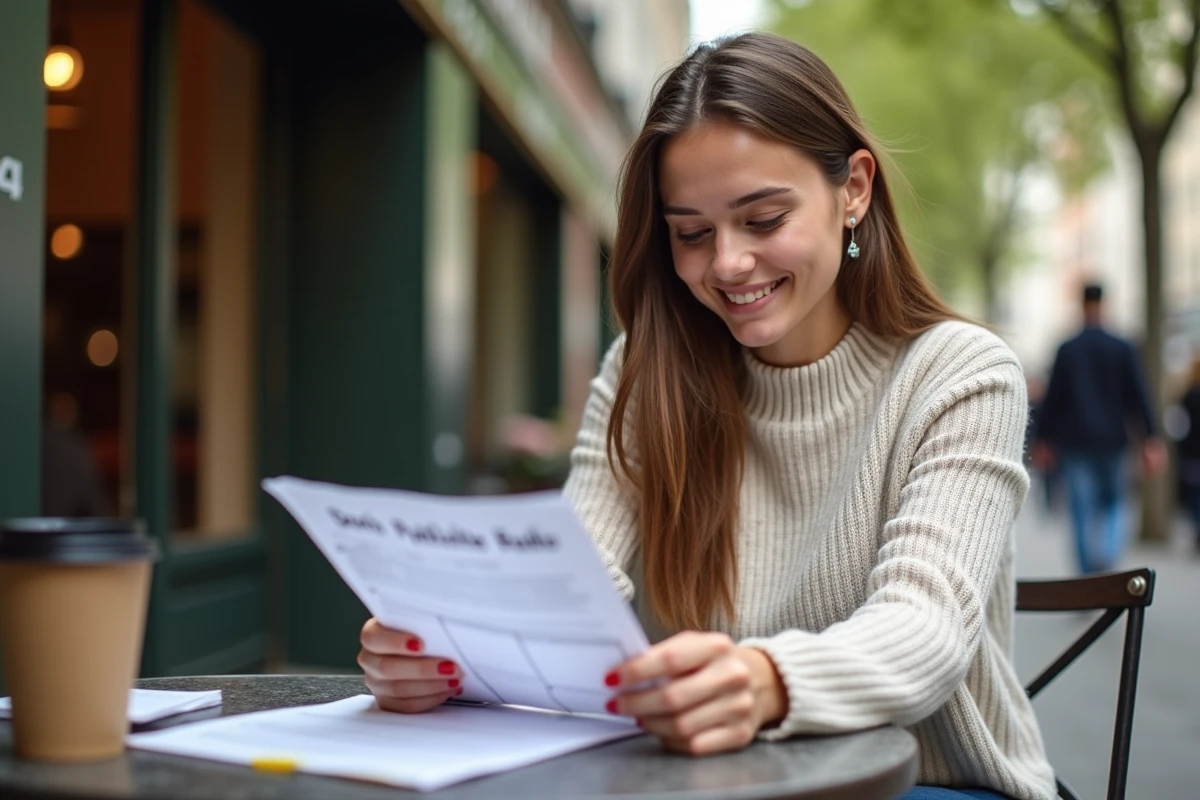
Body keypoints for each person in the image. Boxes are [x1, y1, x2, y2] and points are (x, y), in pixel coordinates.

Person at [359, 33, 1056, 800]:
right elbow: (571, 582)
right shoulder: (644, 369)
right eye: (691, 233)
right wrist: (449, 649)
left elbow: (926, 629)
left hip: (930, 786)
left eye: (762, 220)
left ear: (854, 188)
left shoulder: (960, 372)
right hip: (712, 784)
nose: (725, 264)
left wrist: (763, 681)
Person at [1031, 284, 1166, 574]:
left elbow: (1054, 398)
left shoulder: (1067, 349)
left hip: (1075, 443)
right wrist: (1151, 438)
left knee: (1081, 511)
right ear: (1104, 304)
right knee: (1115, 504)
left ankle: (1087, 578)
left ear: (1082, 305)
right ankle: (1106, 552)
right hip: (1114, 441)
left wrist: (1043, 439)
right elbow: (1138, 394)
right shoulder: (1122, 347)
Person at [1174, 358, 1200, 553]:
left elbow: (1179, 425)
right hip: (1192, 453)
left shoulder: (1188, 395)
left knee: (1195, 495)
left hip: (1192, 452)